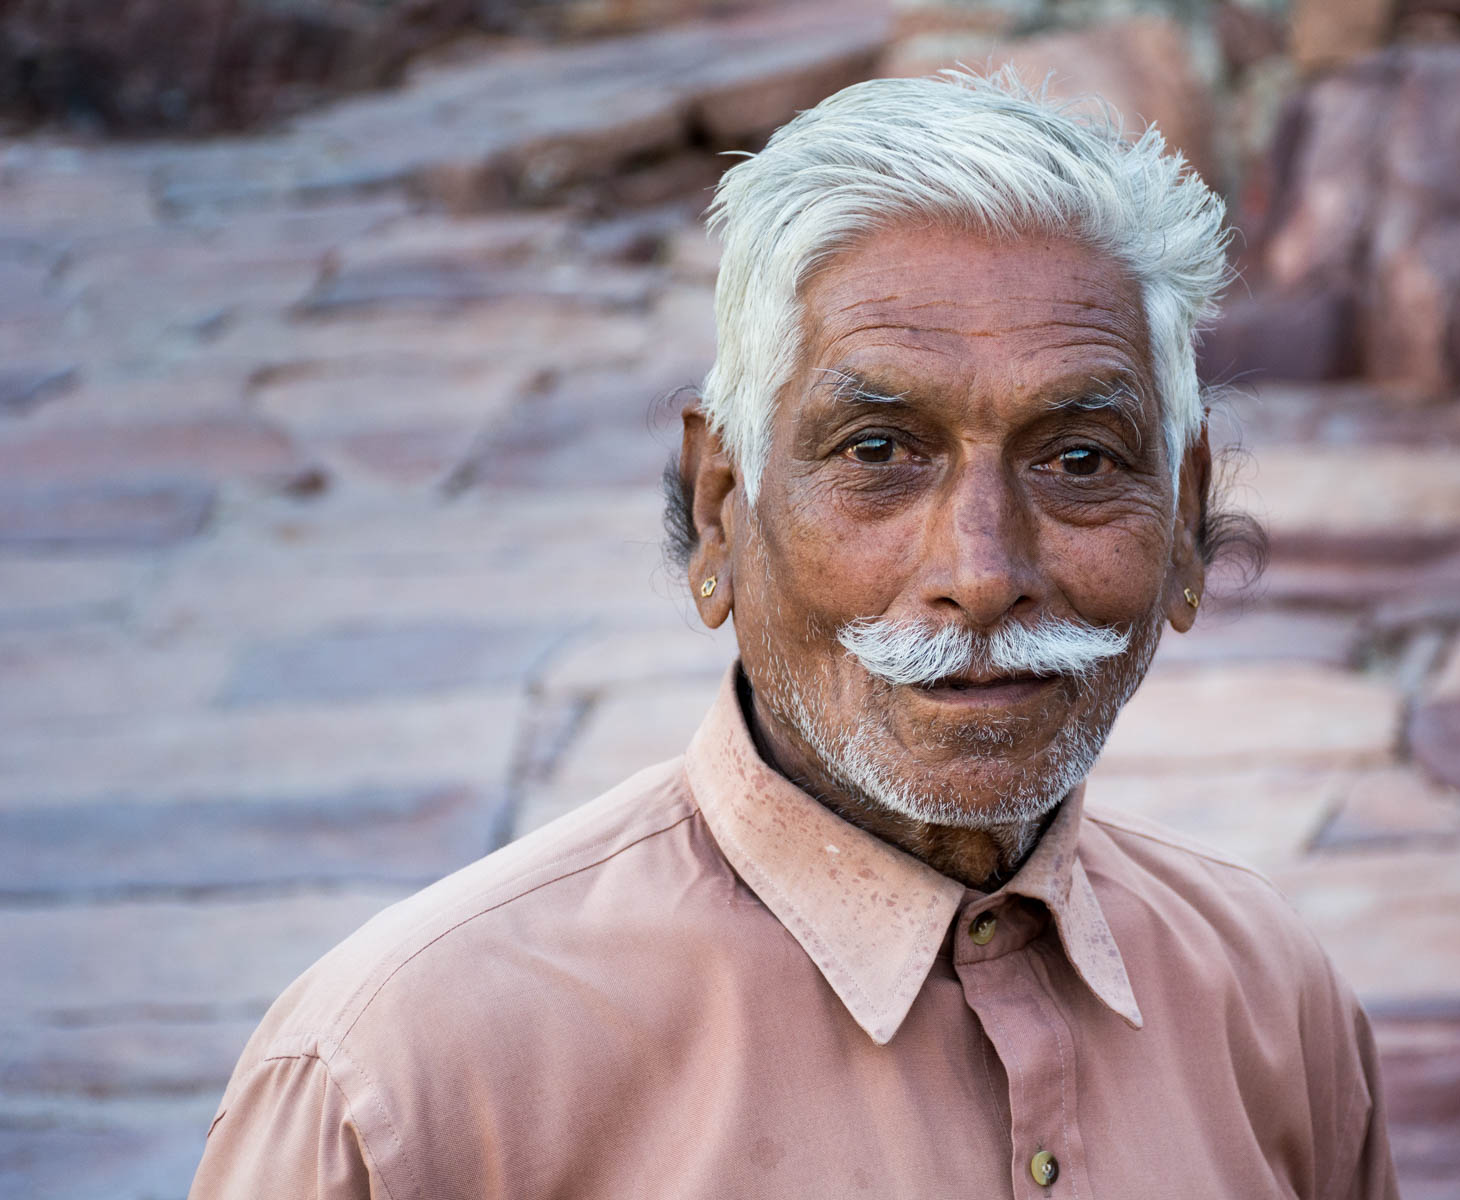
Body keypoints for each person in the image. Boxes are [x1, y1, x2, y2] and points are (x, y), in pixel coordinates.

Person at [191, 69, 1397, 1199]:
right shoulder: (404, 1080)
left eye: (1080, 459)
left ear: (1183, 526)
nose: (982, 572)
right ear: (721, 513)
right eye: (878, 453)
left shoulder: (1267, 996)